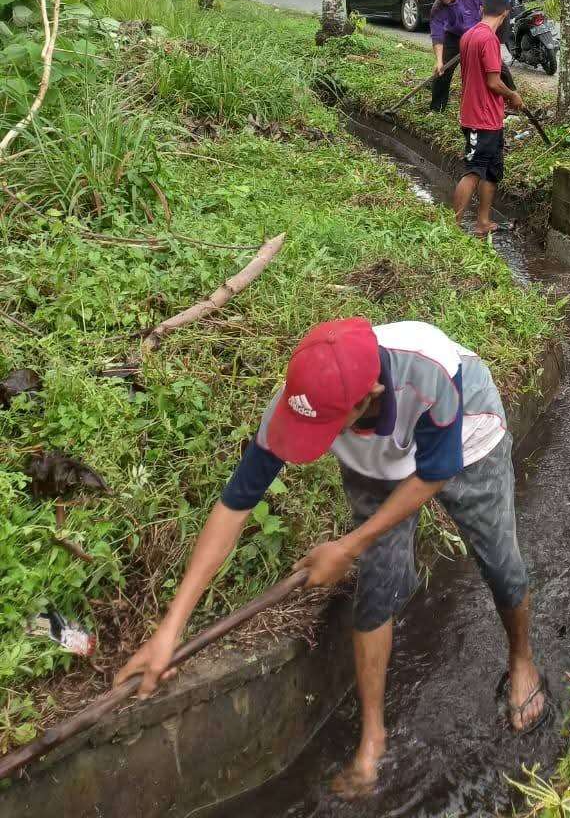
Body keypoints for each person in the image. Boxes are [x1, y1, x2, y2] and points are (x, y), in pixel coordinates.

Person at [114, 317, 547, 798]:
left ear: (369, 396)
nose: (306, 434)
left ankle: (522, 658)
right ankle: (373, 739)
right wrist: (169, 630)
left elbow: (434, 474)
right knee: (378, 586)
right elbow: (235, 504)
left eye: (321, 426)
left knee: (501, 566)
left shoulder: (429, 374)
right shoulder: (302, 400)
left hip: (466, 439)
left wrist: (348, 545)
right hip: (377, 458)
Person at [453, 0, 524, 238]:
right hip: (479, 118)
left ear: (484, 9)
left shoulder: (469, 35)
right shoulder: (489, 40)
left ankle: (483, 221)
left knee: (492, 171)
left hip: (489, 118)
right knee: (474, 170)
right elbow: (494, 82)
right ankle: (454, 225)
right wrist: (512, 96)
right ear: (504, 13)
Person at [428, 0, 486, 112]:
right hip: (453, 37)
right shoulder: (437, 8)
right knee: (442, 71)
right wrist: (439, 61)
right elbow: (437, 36)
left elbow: (491, 8)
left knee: (494, 66)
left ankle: (510, 96)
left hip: (477, 34)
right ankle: (437, 107)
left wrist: (484, 28)